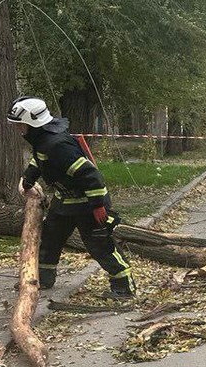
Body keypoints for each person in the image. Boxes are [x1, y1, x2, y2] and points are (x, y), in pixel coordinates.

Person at [8, 96, 135, 299]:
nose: (18, 129)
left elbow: (90, 175)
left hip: (87, 203)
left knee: (99, 245)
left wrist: (98, 206)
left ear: (32, 123)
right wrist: (28, 180)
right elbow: (39, 161)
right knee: (50, 240)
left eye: (20, 125)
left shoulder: (58, 145)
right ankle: (44, 278)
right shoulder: (43, 141)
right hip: (64, 202)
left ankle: (123, 287)